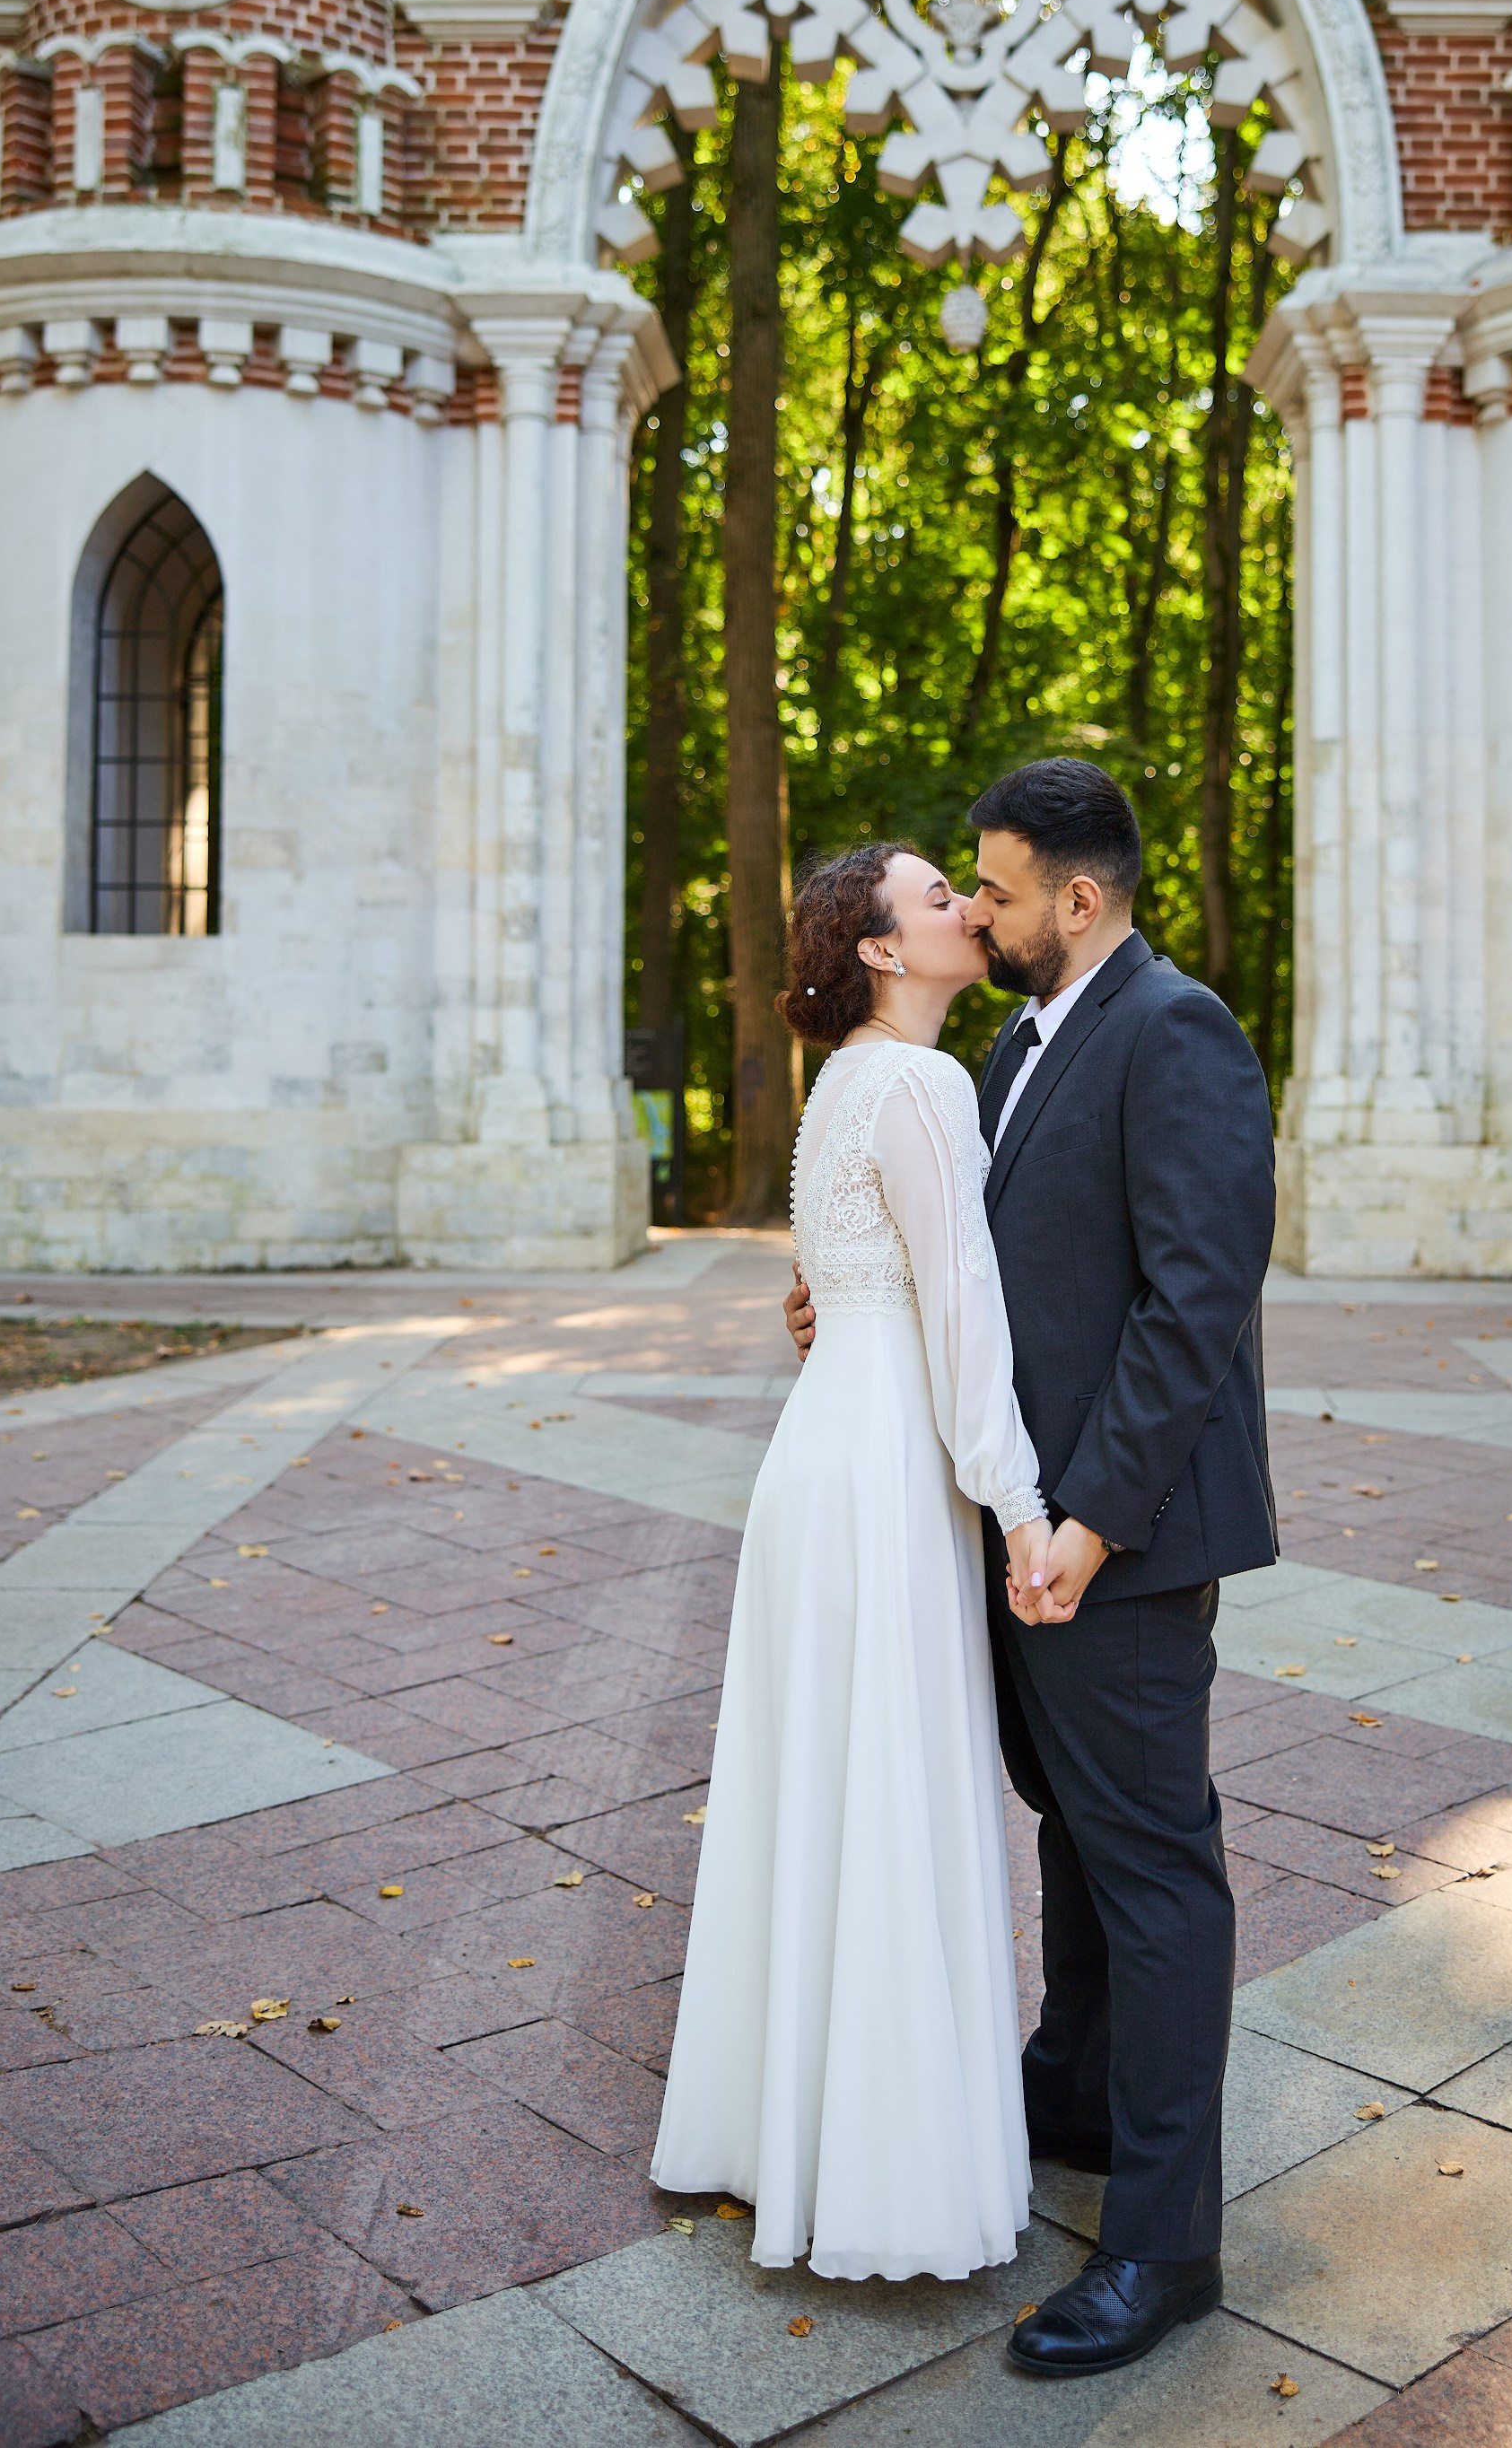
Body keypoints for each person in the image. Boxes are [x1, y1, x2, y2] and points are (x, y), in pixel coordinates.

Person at [785, 758, 1277, 2378]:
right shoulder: (1012, 1044)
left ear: (1078, 897)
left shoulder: (1177, 1031)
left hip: (1112, 1544)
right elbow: (977, 1267)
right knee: (1073, 1823)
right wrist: (849, 1299)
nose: (978, 913)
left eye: (994, 890)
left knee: (1156, 1870)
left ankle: (1165, 2244)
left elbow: (1195, 1304)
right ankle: (1070, 2090)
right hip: (1018, 1530)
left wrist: (1088, 1524)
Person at [651, 844, 1054, 2283]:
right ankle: (892, 2169)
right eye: (938, 897)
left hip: (817, 1454)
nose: (968, 909)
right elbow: (960, 1308)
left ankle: (791, 2134)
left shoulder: (839, 1088)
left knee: (818, 1786)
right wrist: (1019, 1503)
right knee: (885, 1782)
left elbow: (841, 1285)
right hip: (888, 1465)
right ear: (881, 949)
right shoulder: (923, 1083)